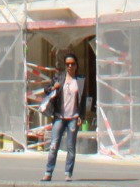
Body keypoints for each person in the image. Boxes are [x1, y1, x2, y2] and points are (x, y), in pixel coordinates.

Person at [39, 53, 90, 182]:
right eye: (67, 64)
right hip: (59, 117)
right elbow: (46, 90)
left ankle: (68, 173)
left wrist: (81, 115)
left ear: (76, 65)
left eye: (72, 64)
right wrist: (53, 87)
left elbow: (82, 99)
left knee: (71, 146)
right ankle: (48, 172)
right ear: (65, 65)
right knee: (54, 145)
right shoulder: (59, 78)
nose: (70, 66)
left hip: (73, 117)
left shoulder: (80, 80)